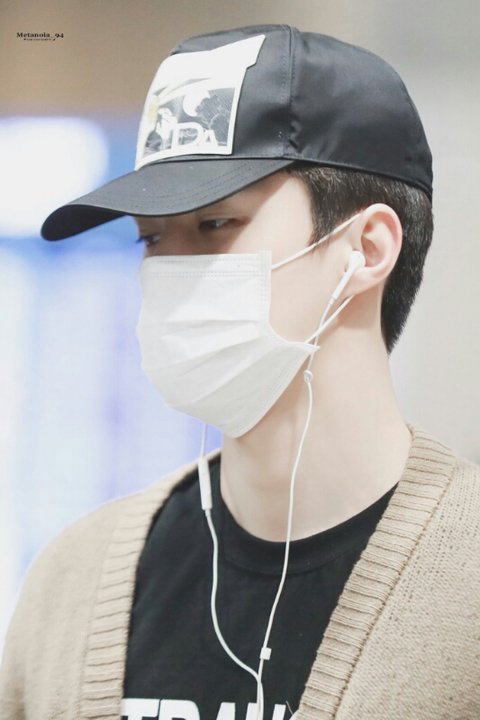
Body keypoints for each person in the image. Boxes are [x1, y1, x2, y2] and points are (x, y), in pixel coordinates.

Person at [1, 24, 479, 720]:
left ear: (367, 248)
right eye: (150, 238)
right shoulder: (72, 580)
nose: (168, 271)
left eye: (215, 225)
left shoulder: (465, 582)